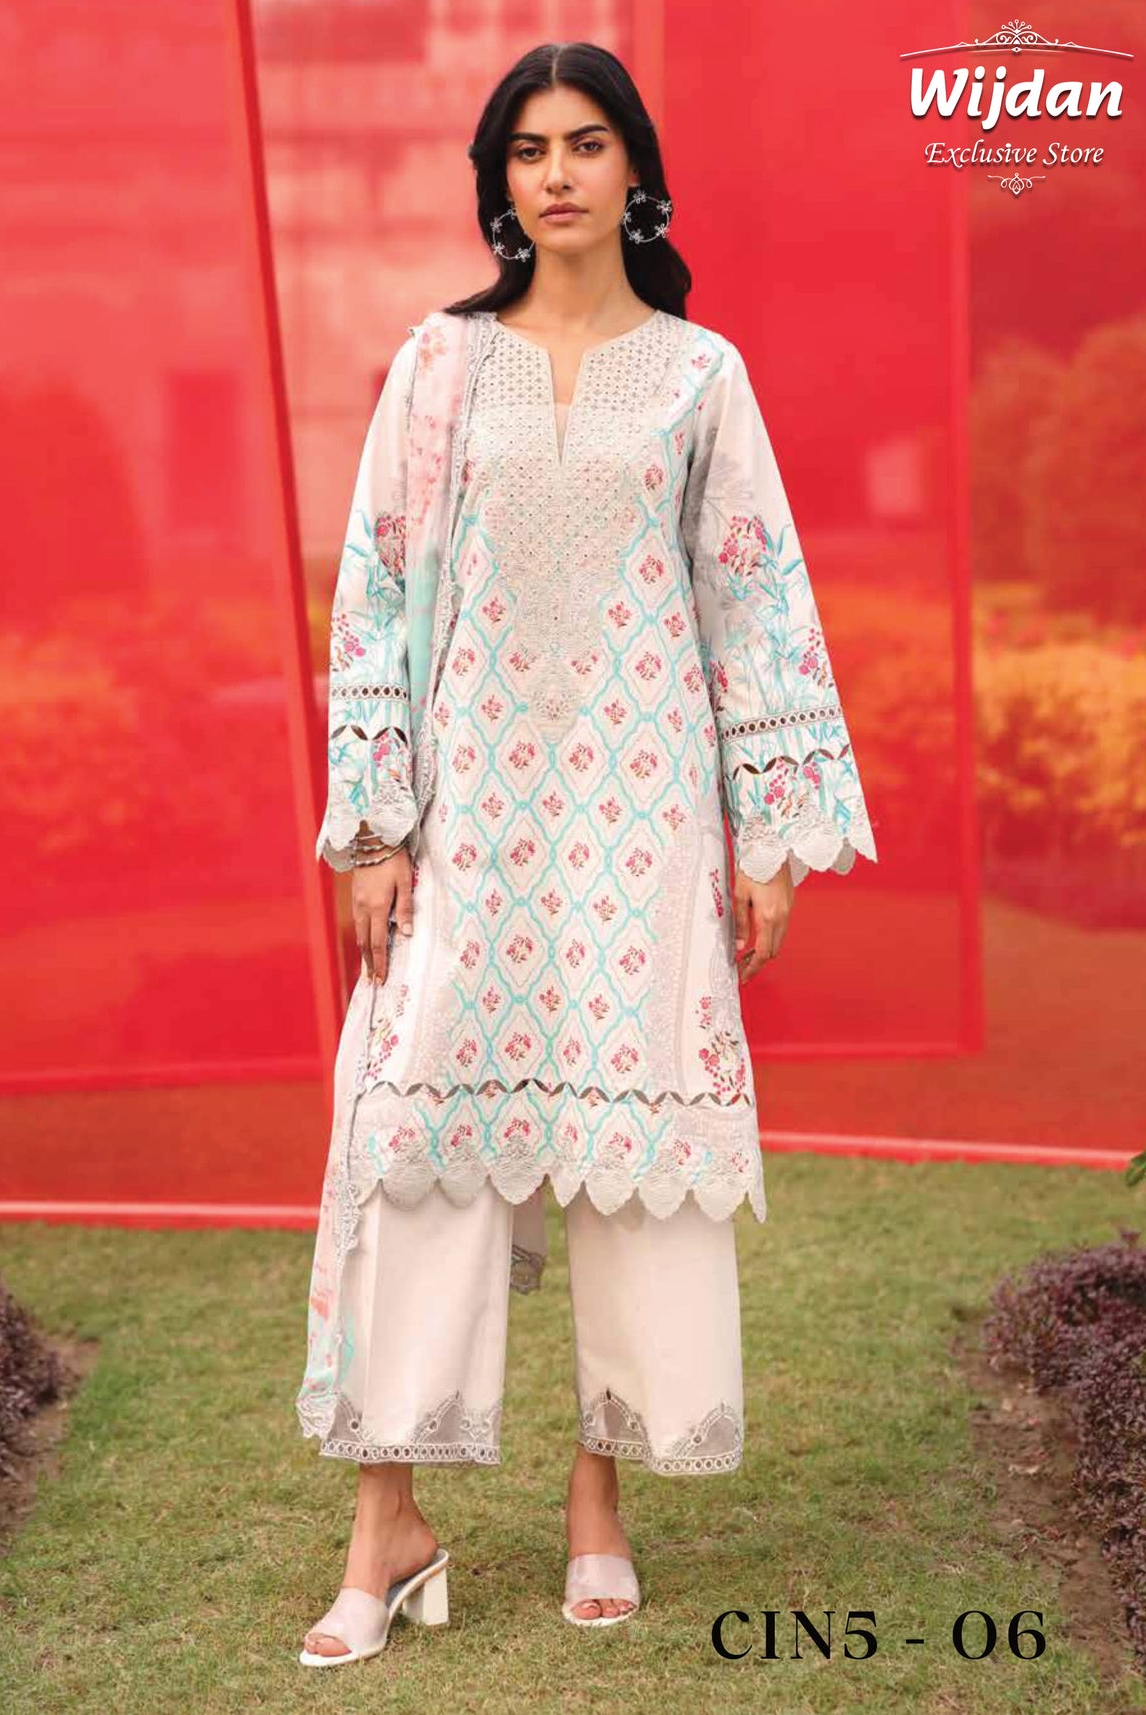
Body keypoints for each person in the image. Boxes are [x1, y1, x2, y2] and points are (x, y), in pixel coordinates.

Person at [294, 40, 878, 1665]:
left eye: (587, 143)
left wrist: (769, 837)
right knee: (415, 1138)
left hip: (642, 817)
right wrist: (374, 824)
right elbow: (374, 590)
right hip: (469, 820)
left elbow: (752, 595)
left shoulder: (699, 377)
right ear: (501, 181)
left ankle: (596, 1495)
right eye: (529, 149)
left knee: (630, 1158)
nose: (556, 173)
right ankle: (387, 1522)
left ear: (637, 173)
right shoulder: (438, 369)